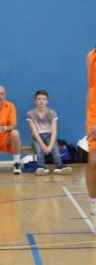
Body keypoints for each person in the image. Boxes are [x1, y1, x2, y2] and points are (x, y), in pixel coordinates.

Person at [26, 90, 73, 176]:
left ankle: (59, 167)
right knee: (39, 151)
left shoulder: (52, 113)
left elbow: (54, 131)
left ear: (47, 101)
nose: (41, 101)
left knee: (55, 149)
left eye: (44, 99)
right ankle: (41, 167)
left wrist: (50, 146)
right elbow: (34, 132)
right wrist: (43, 145)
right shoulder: (30, 114)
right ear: (35, 101)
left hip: (49, 136)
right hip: (37, 138)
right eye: (39, 99)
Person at [86, 47, 96, 218]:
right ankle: (94, 204)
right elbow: (91, 89)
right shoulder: (91, 55)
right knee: (93, 162)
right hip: (94, 114)